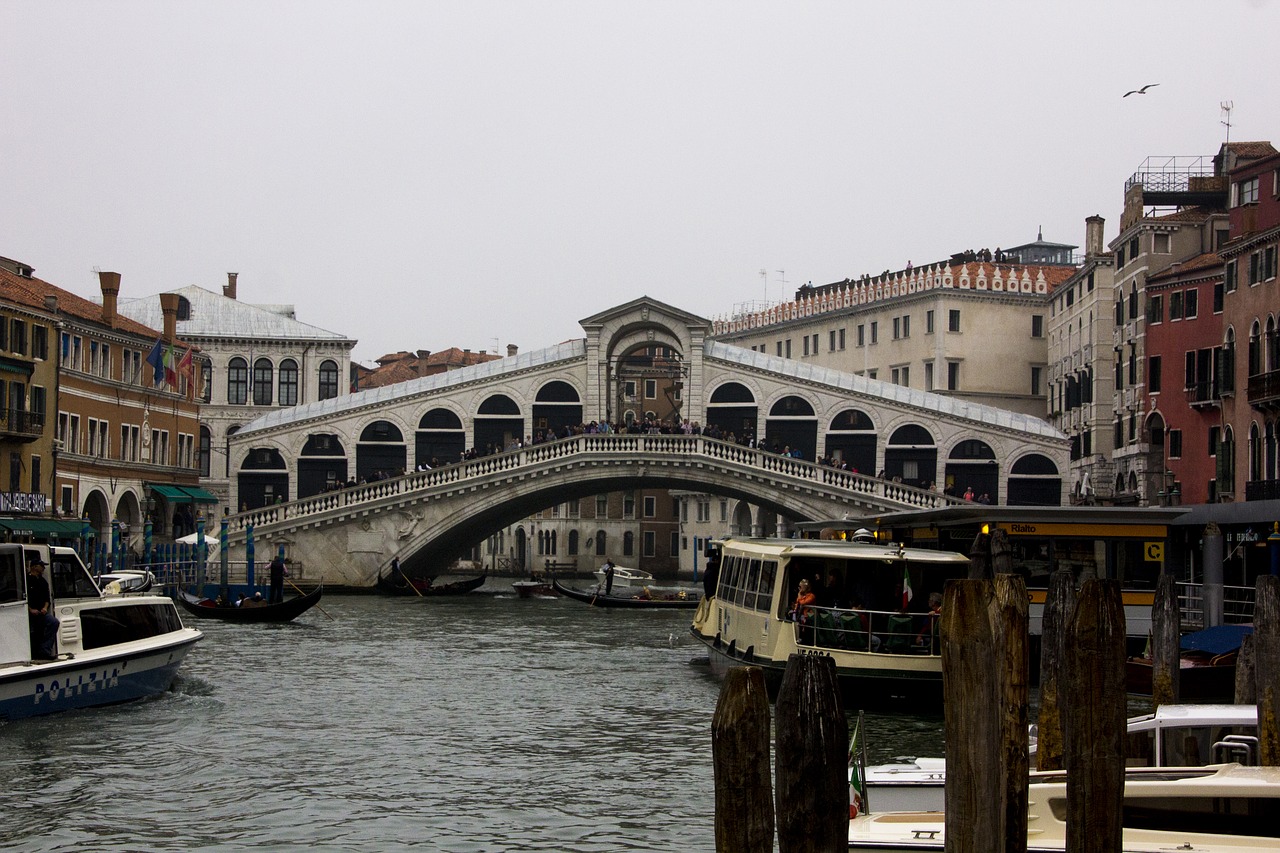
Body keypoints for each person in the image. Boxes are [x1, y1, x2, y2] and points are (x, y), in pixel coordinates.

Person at [26, 558, 59, 659]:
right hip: (28, 613)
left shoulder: (43, 581)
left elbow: (47, 598)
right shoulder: (26, 580)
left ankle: (45, 651)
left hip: (41, 612)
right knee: (33, 631)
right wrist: (30, 609)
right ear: (35, 567)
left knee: (54, 622)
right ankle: (33, 653)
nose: (44, 568)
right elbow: (23, 597)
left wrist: (45, 608)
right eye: (41, 566)